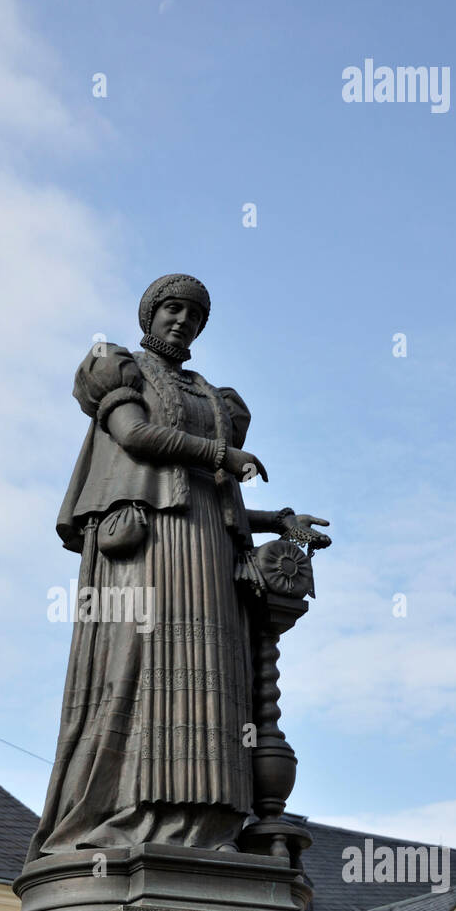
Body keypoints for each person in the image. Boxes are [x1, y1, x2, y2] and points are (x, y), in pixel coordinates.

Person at [26, 273, 329, 860]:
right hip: (150, 547)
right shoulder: (119, 369)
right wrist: (222, 454)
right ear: (149, 315)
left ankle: (200, 822)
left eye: (193, 314)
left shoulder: (215, 397)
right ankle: (127, 811)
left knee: (214, 681)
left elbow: (220, 495)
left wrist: (279, 519)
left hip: (209, 549)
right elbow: (136, 436)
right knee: (141, 672)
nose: (182, 320)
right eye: (171, 308)